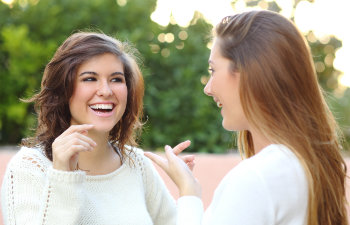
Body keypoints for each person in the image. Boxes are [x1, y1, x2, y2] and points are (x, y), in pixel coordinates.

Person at [145, 10, 348, 225]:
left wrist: (188, 191)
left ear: (249, 73)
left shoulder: (257, 178)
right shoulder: (308, 165)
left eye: (213, 70)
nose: (208, 88)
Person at [1, 32, 180, 225]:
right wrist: (62, 176)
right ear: (63, 89)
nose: (106, 91)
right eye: (89, 78)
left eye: (116, 79)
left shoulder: (138, 164)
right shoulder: (29, 168)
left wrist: (188, 191)